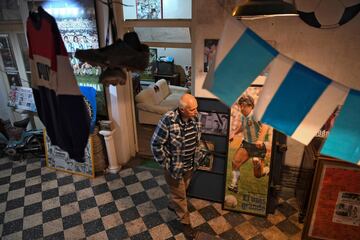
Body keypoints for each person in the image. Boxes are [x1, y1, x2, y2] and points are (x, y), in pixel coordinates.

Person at [151, 93, 204, 239]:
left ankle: (173, 203)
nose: (196, 112)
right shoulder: (168, 120)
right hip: (174, 168)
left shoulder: (196, 118)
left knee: (183, 190)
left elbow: (198, 139)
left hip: (190, 165)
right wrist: (166, 164)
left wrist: (197, 158)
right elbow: (155, 144)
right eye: (193, 109)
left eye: (196, 108)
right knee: (181, 197)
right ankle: (185, 224)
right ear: (182, 110)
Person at [228, 95, 270, 193]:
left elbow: (265, 125)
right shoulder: (243, 116)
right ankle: (234, 185)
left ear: (251, 106)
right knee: (235, 162)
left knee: (257, 175)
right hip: (247, 144)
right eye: (240, 106)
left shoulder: (256, 114)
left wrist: (260, 139)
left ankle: (266, 170)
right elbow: (243, 126)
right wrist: (234, 133)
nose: (241, 108)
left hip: (258, 146)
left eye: (244, 106)